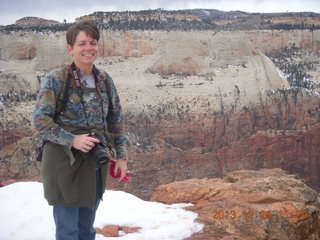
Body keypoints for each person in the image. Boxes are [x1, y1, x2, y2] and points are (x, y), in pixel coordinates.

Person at [32, 21, 128, 240]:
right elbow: (40, 121)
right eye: (82, 43)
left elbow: (116, 119)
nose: (88, 48)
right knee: (68, 230)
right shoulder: (57, 79)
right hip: (64, 162)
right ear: (70, 49)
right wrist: (72, 140)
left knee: (87, 229)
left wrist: (121, 157)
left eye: (93, 43)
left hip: (95, 161)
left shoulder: (104, 79)